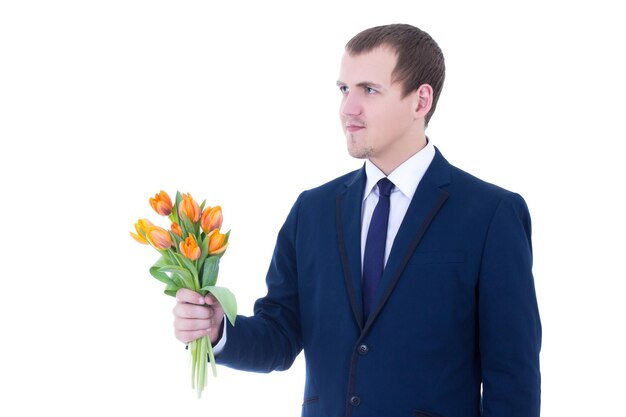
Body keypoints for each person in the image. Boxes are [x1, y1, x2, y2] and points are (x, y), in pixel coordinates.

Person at [173, 23, 541, 417]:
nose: (348, 108)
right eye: (344, 89)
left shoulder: (490, 214)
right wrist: (217, 331)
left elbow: (512, 376)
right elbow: (279, 334)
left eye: (369, 89)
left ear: (421, 101)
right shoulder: (312, 211)